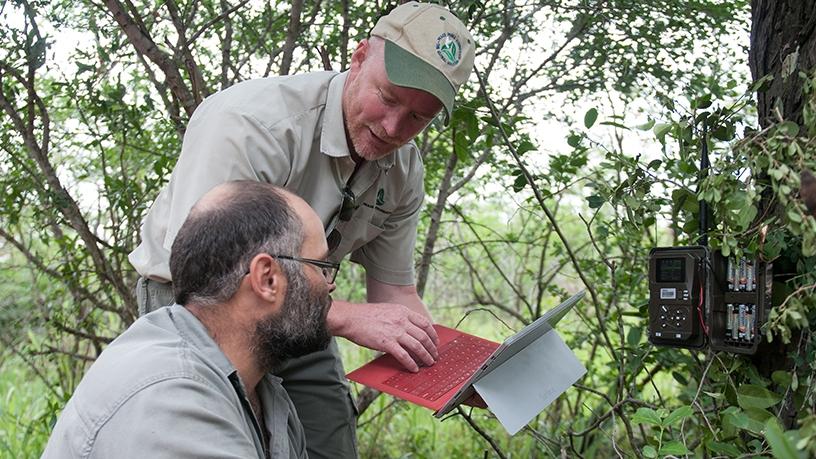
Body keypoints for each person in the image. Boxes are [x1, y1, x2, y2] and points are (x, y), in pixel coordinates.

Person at [128, 2, 476, 457]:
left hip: (305, 312)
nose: (393, 127)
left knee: (328, 442)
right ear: (359, 58)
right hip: (201, 305)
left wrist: (447, 370)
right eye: (388, 98)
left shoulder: (403, 170)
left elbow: (394, 292)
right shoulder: (253, 125)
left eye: (418, 117)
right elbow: (210, 274)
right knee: (219, 441)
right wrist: (348, 317)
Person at [43, 181, 336, 458]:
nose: (329, 284)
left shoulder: (264, 392)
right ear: (267, 279)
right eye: (322, 266)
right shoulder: (172, 399)